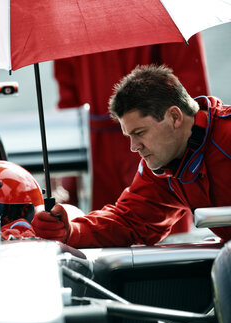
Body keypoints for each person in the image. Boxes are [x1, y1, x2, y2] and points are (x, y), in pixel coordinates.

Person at [32, 64, 231, 248]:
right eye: (129, 136)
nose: (134, 147)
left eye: (139, 133)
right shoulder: (163, 169)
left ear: (175, 117)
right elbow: (128, 222)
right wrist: (69, 231)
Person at [53, 35, 209, 234]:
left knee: (167, 238)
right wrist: (64, 171)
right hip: (96, 146)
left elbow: (190, 104)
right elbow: (68, 99)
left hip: (154, 139)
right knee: (99, 238)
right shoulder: (68, 16)